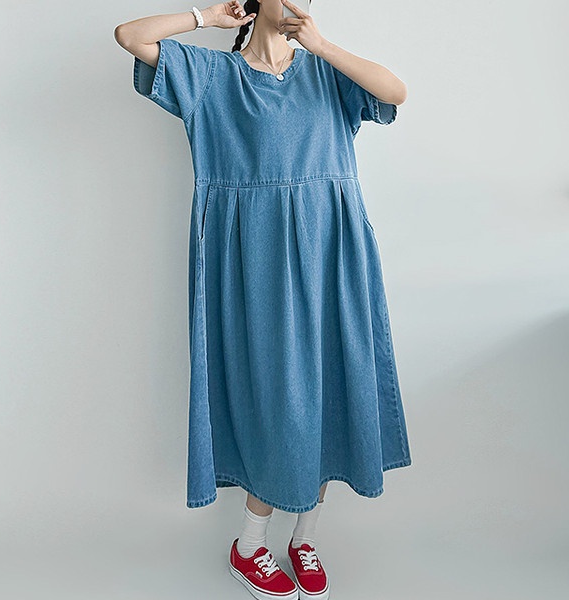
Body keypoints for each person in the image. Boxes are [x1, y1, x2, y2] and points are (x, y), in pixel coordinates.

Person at [114, 1, 412, 598]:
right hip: (254, 264)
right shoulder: (211, 76)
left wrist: (322, 46)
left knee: (331, 389)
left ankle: (305, 537)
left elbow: (395, 91)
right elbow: (130, 35)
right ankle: (249, 544)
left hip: (332, 253)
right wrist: (206, 17)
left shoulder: (327, 71)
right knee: (277, 398)